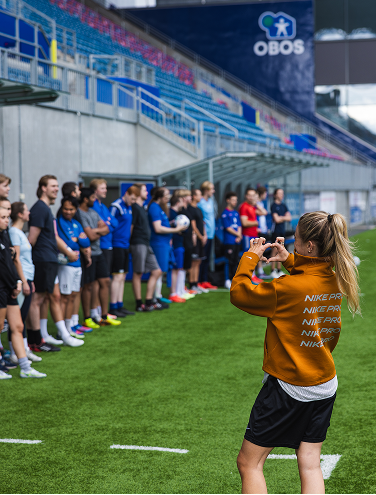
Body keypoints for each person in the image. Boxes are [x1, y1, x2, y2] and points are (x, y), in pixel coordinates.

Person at [230, 212, 360, 494]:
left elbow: (240, 293)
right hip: (325, 383)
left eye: (296, 241)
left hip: (290, 385)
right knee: (310, 462)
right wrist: (289, 259)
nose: (292, 244)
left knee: (249, 463)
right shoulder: (336, 279)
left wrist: (249, 258)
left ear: (310, 247)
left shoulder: (286, 288)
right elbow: (309, 281)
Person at [27, 175, 84, 349]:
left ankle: (43, 336)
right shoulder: (39, 209)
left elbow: (52, 236)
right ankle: (37, 340)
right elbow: (32, 240)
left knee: (45, 298)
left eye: (57, 186)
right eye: (53, 186)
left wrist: (66, 251)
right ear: (43, 188)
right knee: (37, 299)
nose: (56, 189)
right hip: (43, 259)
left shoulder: (45, 209)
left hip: (50, 259)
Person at [0, 206, 46, 379]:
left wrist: (18, 282)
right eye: (3, 217)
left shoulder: (5, 234)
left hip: (11, 288)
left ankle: (25, 367)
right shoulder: (7, 234)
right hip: (2, 288)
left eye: (7, 216)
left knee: (18, 326)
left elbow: (12, 262)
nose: (6, 219)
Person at [79, 188, 120, 328]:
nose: (94, 200)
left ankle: (104, 316)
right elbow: (89, 236)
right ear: (85, 199)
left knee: (105, 281)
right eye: (92, 197)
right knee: (88, 286)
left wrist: (94, 231)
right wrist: (95, 232)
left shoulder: (93, 212)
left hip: (99, 252)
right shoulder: (80, 214)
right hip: (88, 254)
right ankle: (87, 318)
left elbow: (106, 228)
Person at [8, 202, 41, 364]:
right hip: (22, 279)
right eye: (26, 210)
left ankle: (24, 349)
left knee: (22, 316)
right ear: (20, 214)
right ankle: (14, 351)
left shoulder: (18, 232)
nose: (29, 212)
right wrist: (23, 281)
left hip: (27, 277)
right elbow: (16, 260)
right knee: (17, 318)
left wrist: (29, 280)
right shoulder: (14, 232)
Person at [56, 196, 91, 338]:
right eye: (65, 208)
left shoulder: (76, 223)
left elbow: (85, 241)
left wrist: (77, 240)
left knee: (73, 296)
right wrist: (77, 240)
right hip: (66, 265)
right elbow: (68, 244)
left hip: (77, 264)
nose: (68, 211)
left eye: (71, 209)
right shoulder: (59, 222)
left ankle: (69, 327)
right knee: (65, 297)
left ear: (76, 210)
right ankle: (62, 330)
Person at [148, 187, 186, 303]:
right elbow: (158, 228)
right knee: (158, 271)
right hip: (159, 243)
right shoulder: (154, 208)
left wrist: (172, 224)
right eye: (166, 195)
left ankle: (157, 296)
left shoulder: (159, 208)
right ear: (160, 197)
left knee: (161, 271)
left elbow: (162, 224)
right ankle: (155, 297)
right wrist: (176, 229)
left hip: (164, 243)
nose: (168, 197)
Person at [129, 184, 163, 312]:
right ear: (137, 192)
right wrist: (128, 243)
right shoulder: (135, 208)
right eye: (144, 190)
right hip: (138, 243)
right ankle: (139, 304)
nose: (147, 192)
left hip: (146, 243)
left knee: (157, 271)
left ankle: (149, 301)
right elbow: (131, 227)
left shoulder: (142, 208)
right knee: (138, 273)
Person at [90, 179, 118, 321]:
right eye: (102, 188)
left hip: (107, 245)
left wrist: (107, 224)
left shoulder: (102, 206)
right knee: (97, 282)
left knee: (103, 281)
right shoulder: (94, 206)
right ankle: (95, 311)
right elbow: (104, 226)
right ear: (95, 191)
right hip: (100, 246)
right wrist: (106, 225)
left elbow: (114, 223)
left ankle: (101, 311)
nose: (105, 190)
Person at [109, 186, 138, 317]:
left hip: (125, 245)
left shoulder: (129, 207)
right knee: (117, 276)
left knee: (123, 276)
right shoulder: (116, 206)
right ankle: (113, 306)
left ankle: (119, 304)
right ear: (127, 194)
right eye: (132, 198)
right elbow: (109, 225)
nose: (133, 201)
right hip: (117, 245)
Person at [239, 188, 263, 285]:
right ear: (246, 196)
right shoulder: (244, 207)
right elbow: (244, 222)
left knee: (254, 256)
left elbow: (264, 212)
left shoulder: (253, 206)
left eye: (253, 195)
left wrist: (256, 203)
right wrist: (256, 223)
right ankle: (249, 276)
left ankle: (253, 275)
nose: (251, 197)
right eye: (250, 195)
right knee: (249, 256)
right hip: (247, 235)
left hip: (253, 234)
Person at [197, 181, 217, 290]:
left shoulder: (210, 200)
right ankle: (198, 281)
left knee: (207, 258)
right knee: (202, 258)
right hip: (204, 234)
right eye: (211, 189)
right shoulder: (200, 202)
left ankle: (204, 280)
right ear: (206, 190)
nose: (213, 191)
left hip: (211, 234)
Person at [188, 188, 208, 294]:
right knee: (194, 262)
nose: (201, 197)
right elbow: (193, 225)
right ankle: (192, 284)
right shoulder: (190, 209)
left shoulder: (199, 209)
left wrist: (204, 235)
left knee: (199, 261)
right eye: (199, 195)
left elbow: (202, 223)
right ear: (194, 196)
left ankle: (196, 283)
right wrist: (200, 236)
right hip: (197, 239)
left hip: (202, 239)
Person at [221, 192, 242, 290]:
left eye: (236, 200)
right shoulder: (225, 214)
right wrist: (238, 234)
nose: (235, 202)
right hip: (229, 241)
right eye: (233, 200)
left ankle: (234, 279)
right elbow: (227, 227)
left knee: (235, 260)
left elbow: (239, 225)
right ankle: (227, 280)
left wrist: (239, 235)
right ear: (228, 200)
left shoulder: (236, 213)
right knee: (228, 261)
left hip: (237, 240)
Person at [168, 194, 187, 303]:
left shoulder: (176, 214)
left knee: (178, 268)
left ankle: (178, 291)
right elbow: (171, 227)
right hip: (175, 244)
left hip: (178, 244)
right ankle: (173, 293)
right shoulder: (171, 213)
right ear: (177, 202)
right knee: (174, 269)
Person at [270, 188, 291, 279]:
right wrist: (283, 217)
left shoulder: (284, 206)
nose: (281, 195)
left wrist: (281, 217)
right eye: (279, 193)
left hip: (282, 231)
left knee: (280, 250)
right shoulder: (274, 206)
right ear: (275, 195)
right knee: (274, 250)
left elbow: (289, 218)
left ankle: (278, 270)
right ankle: (272, 270)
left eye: (282, 193)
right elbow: (276, 220)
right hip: (276, 231)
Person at [255, 187, 270, 280]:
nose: (266, 195)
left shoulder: (260, 203)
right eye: (265, 193)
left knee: (261, 251)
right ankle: (259, 271)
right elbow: (264, 212)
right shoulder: (256, 204)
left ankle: (260, 271)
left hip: (262, 230)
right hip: (257, 231)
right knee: (258, 251)